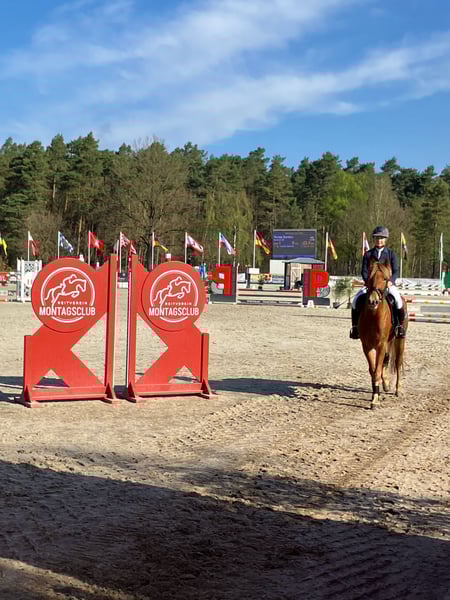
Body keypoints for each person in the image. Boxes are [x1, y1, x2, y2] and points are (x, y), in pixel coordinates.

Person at [350, 226, 406, 339]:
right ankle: (355, 328)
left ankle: (399, 327)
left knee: (398, 301)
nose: (379, 240)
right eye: (377, 238)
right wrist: (367, 282)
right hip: (371, 285)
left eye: (381, 238)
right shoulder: (368, 254)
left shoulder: (391, 254)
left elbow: (396, 271)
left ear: (385, 239)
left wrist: (391, 281)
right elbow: (364, 271)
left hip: (386, 285)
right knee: (355, 301)